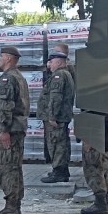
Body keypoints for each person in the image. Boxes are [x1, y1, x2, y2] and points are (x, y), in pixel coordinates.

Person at [0, 46, 29, 214]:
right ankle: (14, 205)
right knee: (14, 167)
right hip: (16, 129)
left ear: (10, 59)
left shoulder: (8, 79)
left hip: (10, 131)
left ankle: (12, 207)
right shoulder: (17, 77)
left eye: (2, 57)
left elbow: (6, 106)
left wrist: (3, 129)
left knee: (7, 168)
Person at [39, 51, 75, 183]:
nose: (49, 64)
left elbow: (56, 97)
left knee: (56, 144)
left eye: (52, 61)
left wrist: (52, 116)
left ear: (59, 62)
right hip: (61, 117)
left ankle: (59, 172)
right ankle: (62, 171)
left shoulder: (59, 75)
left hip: (57, 118)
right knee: (61, 143)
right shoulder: (65, 74)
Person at [80, 140, 108, 214]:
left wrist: (88, 140)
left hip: (94, 138)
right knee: (102, 169)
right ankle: (104, 203)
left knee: (93, 168)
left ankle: (101, 204)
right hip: (102, 138)